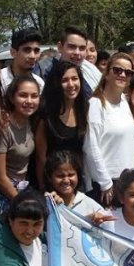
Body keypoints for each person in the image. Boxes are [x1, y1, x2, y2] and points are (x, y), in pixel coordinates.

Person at [83, 52, 134, 207]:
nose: (122, 75)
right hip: (106, 185)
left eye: (128, 72)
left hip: (127, 181)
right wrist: (105, 183)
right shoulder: (96, 104)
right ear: (106, 73)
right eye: (117, 70)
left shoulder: (124, 103)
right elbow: (90, 147)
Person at [35, 61, 88, 189]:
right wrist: (44, 188)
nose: (71, 84)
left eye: (74, 79)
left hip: (77, 182)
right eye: (65, 80)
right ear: (56, 83)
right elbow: (40, 157)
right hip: (53, 183)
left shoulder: (85, 109)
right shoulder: (45, 113)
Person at [0, 75, 39, 203]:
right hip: (5, 194)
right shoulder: (3, 126)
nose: (29, 101)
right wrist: (20, 202)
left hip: (24, 187)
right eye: (23, 95)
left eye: (34, 96)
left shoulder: (32, 121)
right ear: (12, 98)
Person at [35, 26, 101, 95]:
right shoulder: (43, 70)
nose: (77, 53)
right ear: (60, 47)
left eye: (82, 48)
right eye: (72, 47)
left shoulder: (90, 71)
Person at [0, 28, 45, 92]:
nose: (32, 56)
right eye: (27, 50)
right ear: (13, 52)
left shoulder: (39, 83)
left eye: (36, 51)